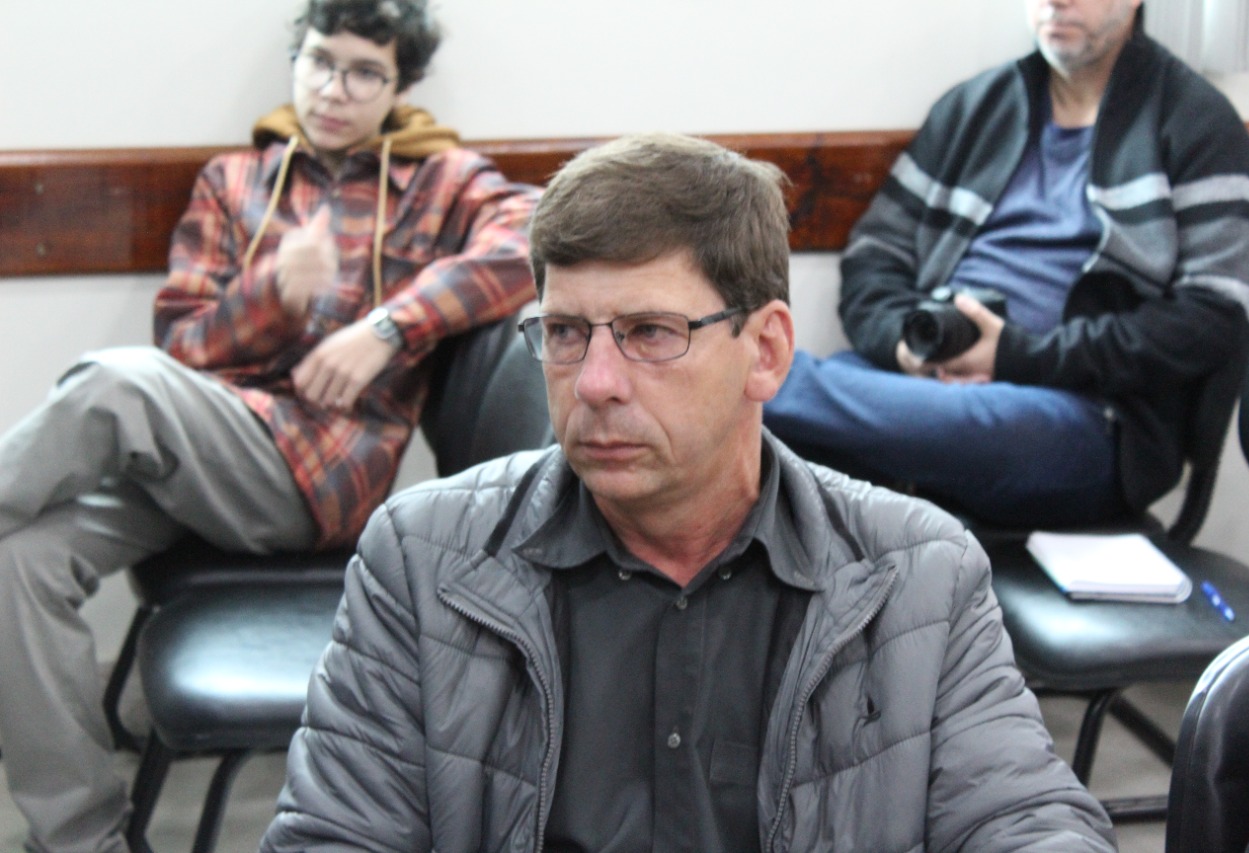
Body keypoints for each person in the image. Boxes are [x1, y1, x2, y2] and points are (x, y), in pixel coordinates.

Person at [260, 132, 1116, 851]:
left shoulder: (921, 572)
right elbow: (334, 835)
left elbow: (1026, 819)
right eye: (565, 332)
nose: (594, 382)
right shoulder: (420, 556)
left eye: (649, 332)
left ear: (766, 352)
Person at [0, 0, 539, 849]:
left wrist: (387, 326)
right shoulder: (234, 180)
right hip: (204, 452)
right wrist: (273, 296)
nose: (335, 88)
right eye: (321, 62)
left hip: (316, 477)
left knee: (116, 384)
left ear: (398, 89)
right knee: (20, 558)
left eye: (364, 73)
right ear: (299, 61)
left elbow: (534, 237)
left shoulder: (440, 180)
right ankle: (83, 835)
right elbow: (183, 341)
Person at [764, 0, 1249, 527]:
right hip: (924, 387)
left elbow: (1213, 318)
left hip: (1084, 416)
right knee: (781, 432)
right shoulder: (974, 108)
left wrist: (1014, 356)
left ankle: (751, 375)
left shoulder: (1197, 123)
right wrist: (907, 344)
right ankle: (765, 386)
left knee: (780, 401)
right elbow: (876, 255)